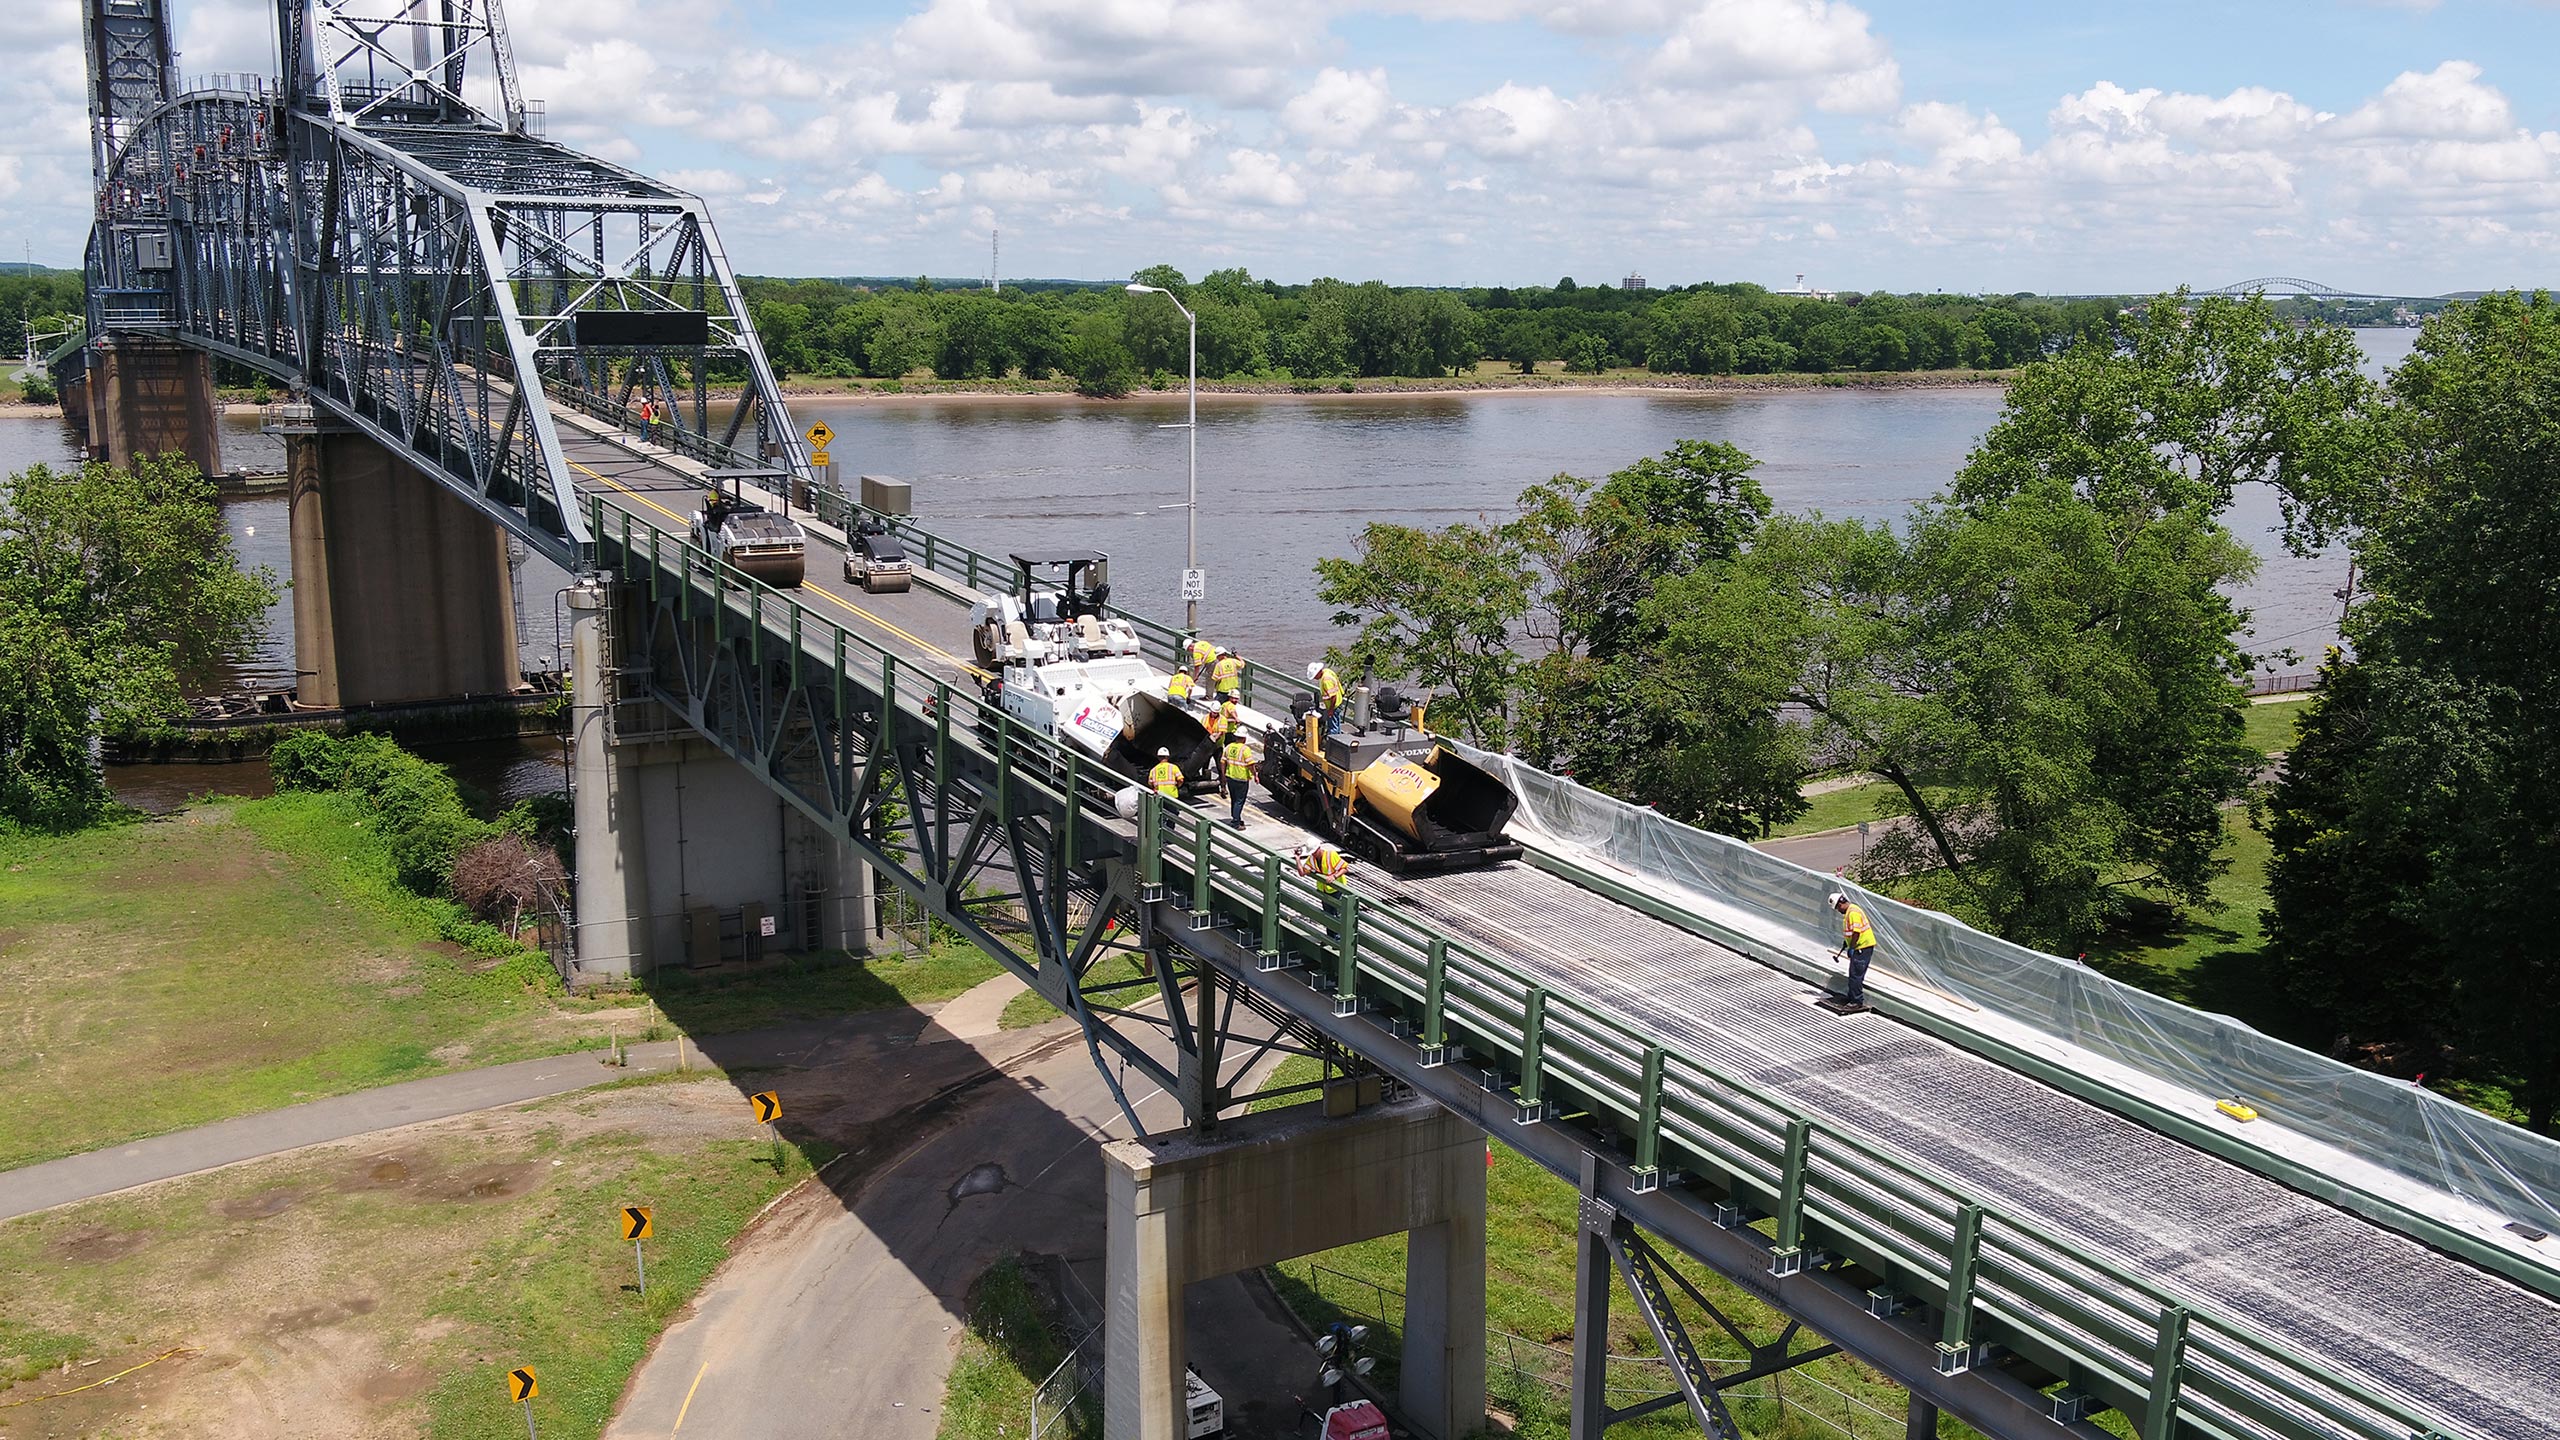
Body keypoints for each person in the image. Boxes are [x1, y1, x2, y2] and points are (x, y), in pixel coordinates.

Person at [1830, 890, 1877, 1008]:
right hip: (1859, 946)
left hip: (1862, 947)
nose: (1839, 911)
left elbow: (1856, 931)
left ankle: (1857, 1001)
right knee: (1853, 973)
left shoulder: (1853, 913)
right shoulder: (1851, 911)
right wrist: (1847, 941)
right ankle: (1851, 997)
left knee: (1856, 975)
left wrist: (1852, 946)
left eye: (1837, 908)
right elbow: (1852, 931)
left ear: (1840, 905)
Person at [1222, 728, 1257, 826]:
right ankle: (1236, 822)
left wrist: (1223, 775)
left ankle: (1236, 817)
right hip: (1241, 778)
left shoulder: (1228, 747)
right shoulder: (1245, 749)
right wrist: (1255, 775)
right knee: (1239, 801)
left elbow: (1223, 762)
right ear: (1244, 739)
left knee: (1234, 799)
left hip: (1230, 777)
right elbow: (1250, 765)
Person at [1306, 659, 1346, 729]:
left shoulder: (1326, 680)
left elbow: (1333, 696)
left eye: (1315, 676)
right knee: (1336, 724)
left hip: (1334, 706)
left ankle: (1334, 738)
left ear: (1318, 672)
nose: (1315, 678)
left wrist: (1331, 710)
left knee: (1333, 727)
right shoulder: (1327, 671)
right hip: (1338, 702)